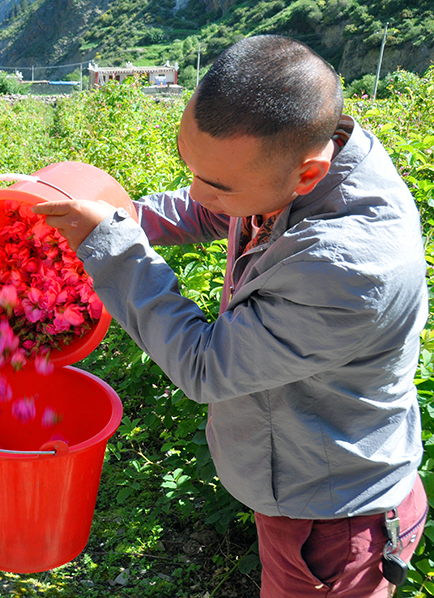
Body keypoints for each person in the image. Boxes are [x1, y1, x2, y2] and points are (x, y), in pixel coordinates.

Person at [33, 35, 428, 597]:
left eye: (215, 184)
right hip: (299, 492)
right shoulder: (302, 158)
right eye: (189, 168)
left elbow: (205, 367)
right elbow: (213, 207)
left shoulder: (348, 265)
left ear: (308, 176)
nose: (197, 192)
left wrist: (115, 248)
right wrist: (118, 219)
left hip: (336, 524)